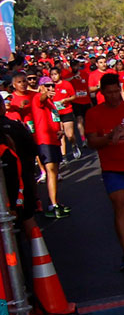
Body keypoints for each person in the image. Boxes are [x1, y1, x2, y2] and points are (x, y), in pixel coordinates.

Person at [85, 73, 124, 271]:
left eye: (116, 91)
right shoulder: (94, 113)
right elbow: (91, 142)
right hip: (112, 170)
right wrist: (109, 138)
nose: (114, 96)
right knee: (120, 206)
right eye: (109, 93)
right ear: (103, 93)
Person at [32, 77, 67, 218]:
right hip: (44, 140)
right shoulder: (37, 98)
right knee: (51, 171)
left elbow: (56, 119)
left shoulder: (52, 103)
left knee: (55, 172)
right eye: (47, 86)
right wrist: (45, 93)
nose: (51, 88)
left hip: (54, 140)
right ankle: (53, 205)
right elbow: (40, 98)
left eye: (52, 85)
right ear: (41, 87)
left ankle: (55, 201)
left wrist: (60, 130)